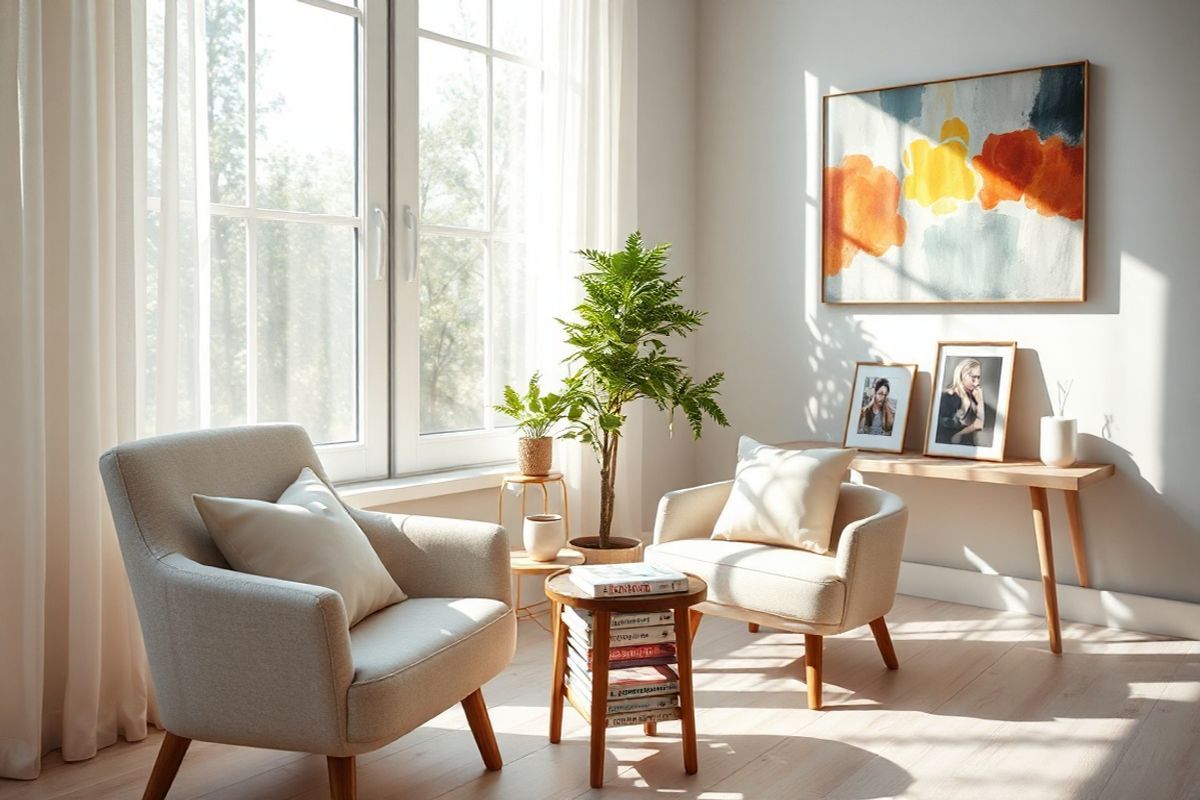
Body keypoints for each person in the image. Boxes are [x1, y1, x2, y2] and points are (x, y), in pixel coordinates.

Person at [936, 358, 985, 445]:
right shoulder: (947, 397)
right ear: (962, 375)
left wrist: (980, 400)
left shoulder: (974, 397)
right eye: (973, 377)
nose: (977, 382)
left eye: (978, 377)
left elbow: (979, 424)